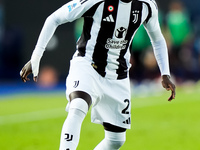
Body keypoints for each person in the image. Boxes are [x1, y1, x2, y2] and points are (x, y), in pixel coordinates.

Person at [20, 0, 176, 149]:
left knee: (116, 140)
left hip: (118, 75)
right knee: (78, 105)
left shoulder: (147, 6)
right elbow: (54, 18)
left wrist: (165, 73)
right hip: (88, 66)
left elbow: (158, 39)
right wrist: (36, 56)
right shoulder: (96, 1)